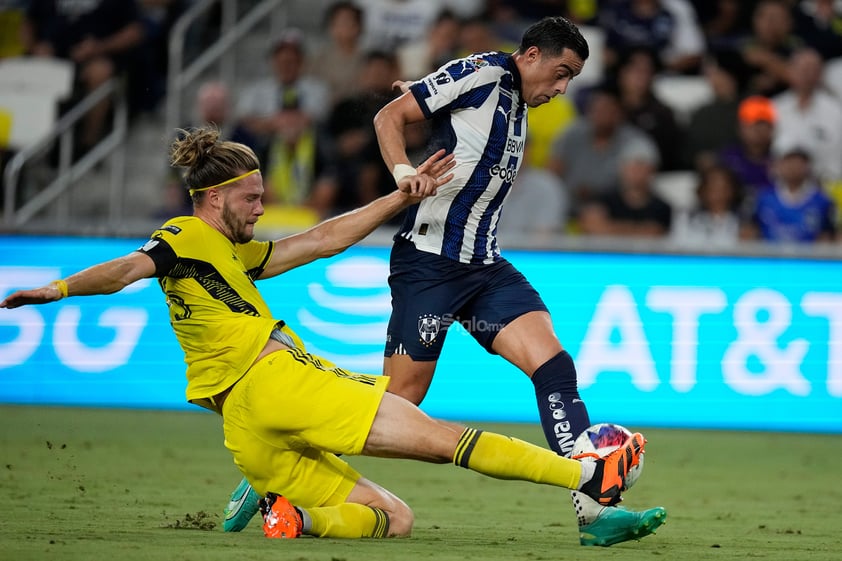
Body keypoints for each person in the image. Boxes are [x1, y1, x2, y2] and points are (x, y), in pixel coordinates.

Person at [0, 126, 645, 540]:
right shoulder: (186, 233)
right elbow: (126, 270)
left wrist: (401, 197)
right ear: (214, 198)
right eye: (251, 197)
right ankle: (588, 482)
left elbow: (317, 242)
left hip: (244, 428)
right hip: (282, 384)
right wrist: (56, 290)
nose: (261, 205)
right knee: (448, 438)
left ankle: (290, 513)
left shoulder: (227, 253)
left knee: (396, 520)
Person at [373, 15, 665, 547]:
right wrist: (402, 172)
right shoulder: (483, 73)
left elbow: (434, 109)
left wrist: (424, 95)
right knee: (396, 406)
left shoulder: (513, 98)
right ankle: (286, 465)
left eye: (571, 79)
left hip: (486, 270)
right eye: (560, 73)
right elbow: (389, 117)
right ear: (530, 55)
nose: (561, 88)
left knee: (554, 366)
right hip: (429, 267)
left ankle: (596, 508)